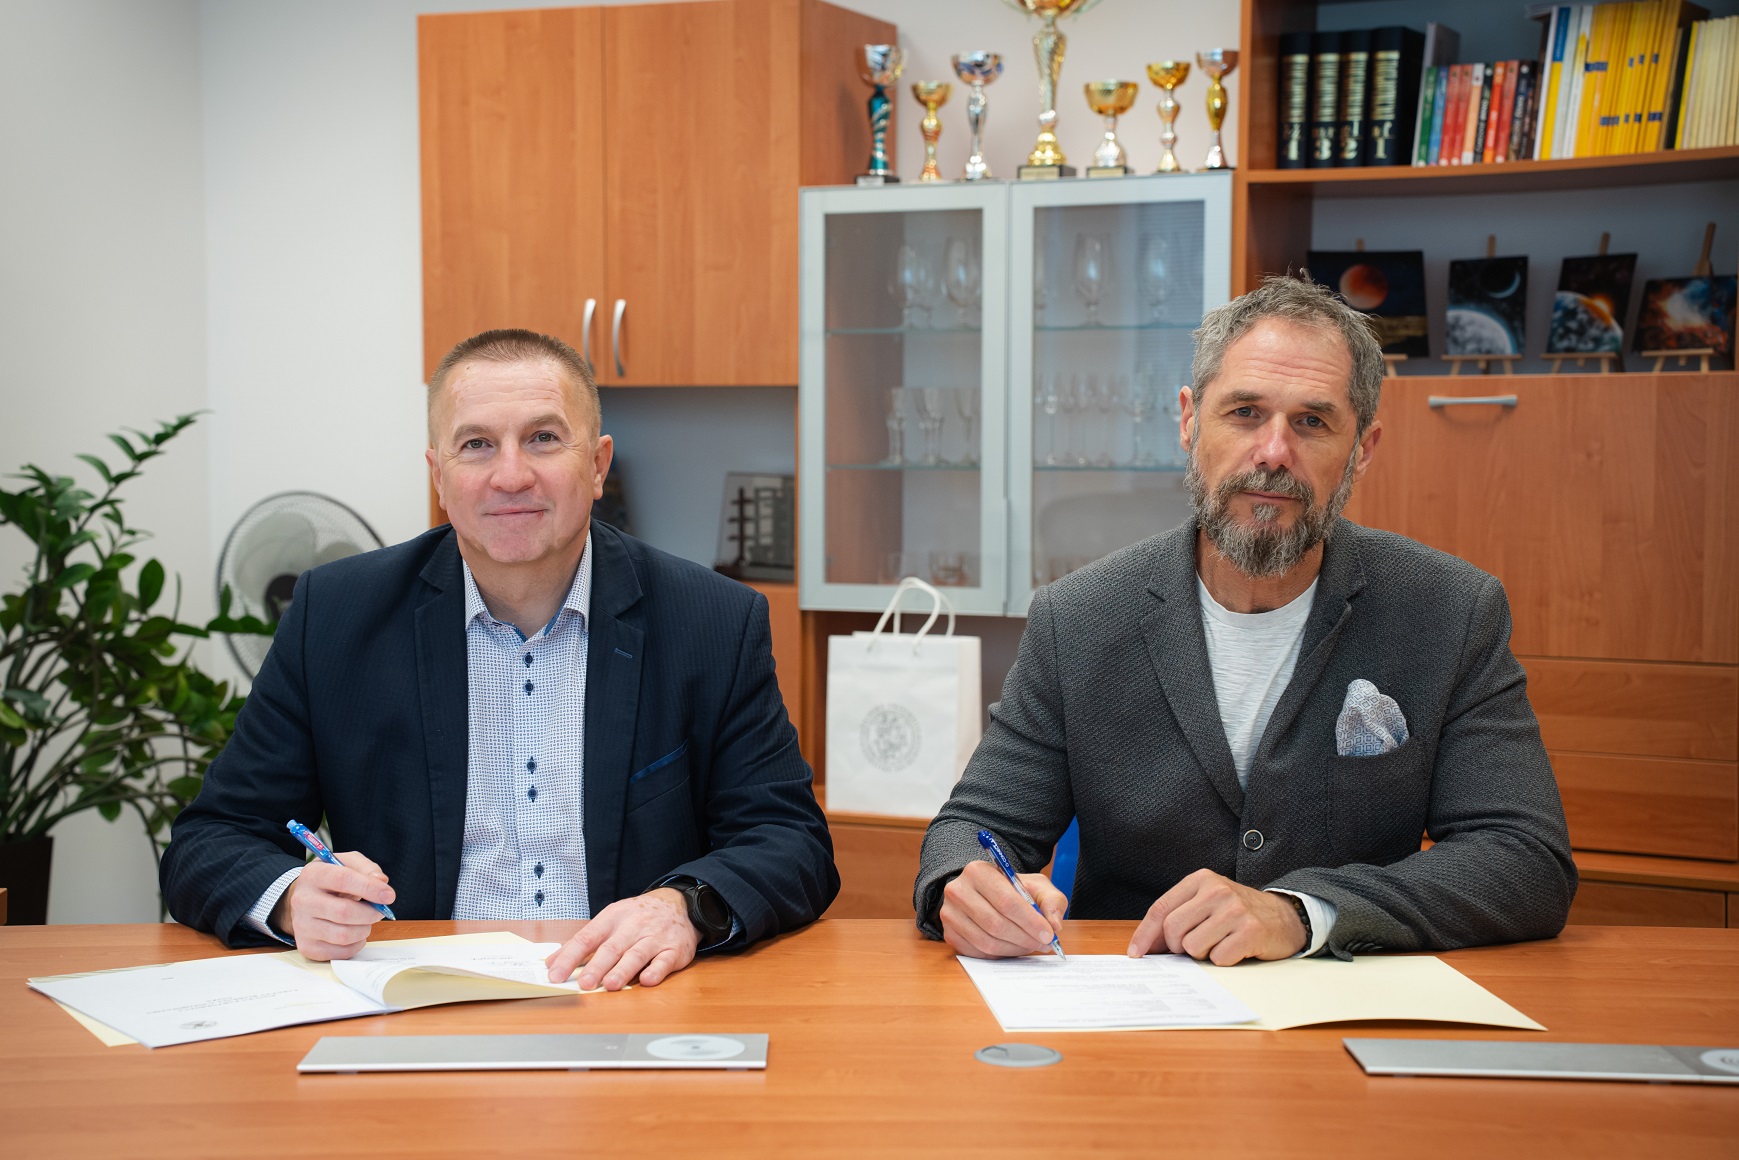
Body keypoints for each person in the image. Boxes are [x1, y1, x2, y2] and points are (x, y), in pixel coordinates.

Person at [914, 274, 1577, 965]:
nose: (1273, 452)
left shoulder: (1449, 611)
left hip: (1345, 1003)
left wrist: (1303, 913)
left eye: (1312, 422)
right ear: (1188, 422)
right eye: (1244, 412)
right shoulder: (1077, 617)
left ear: (1363, 448)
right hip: (1136, 1005)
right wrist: (965, 886)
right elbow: (974, 827)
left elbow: (1525, 858)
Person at [161, 329, 836, 990]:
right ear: (439, 475)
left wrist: (683, 906)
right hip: (413, 999)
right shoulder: (335, 617)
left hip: (626, 994)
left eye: (543, 438)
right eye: (477, 445)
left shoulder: (710, 621)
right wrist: (289, 898)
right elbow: (211, 840)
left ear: (597, 465)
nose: (511, 476)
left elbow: (789, 841)